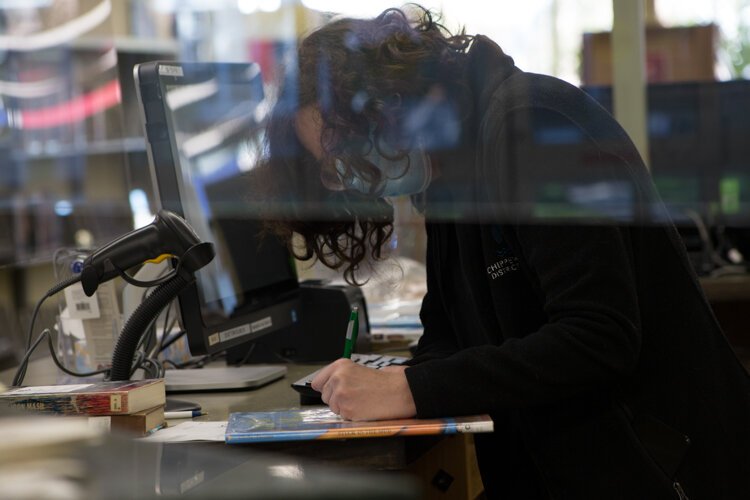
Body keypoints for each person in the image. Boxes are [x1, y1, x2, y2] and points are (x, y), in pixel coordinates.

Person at [258, 5, 750, 499]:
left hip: (663, 472)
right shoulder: (449, 169)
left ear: (390, 101)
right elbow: (449, 331)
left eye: (344, 147)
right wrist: (400, 380)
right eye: (332, 165)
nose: (346, 172)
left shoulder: (531, 124)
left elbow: (599, 337)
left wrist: (412, 388)